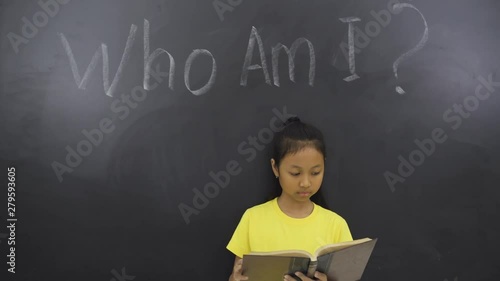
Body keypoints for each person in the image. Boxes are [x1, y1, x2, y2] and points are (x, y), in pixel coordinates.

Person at [226, 116, 353, 281]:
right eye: (295, 173)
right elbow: (237, 275)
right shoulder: (253, 218)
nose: (305, 183)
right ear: (275, 167)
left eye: (315, 172)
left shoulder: (336, 225)